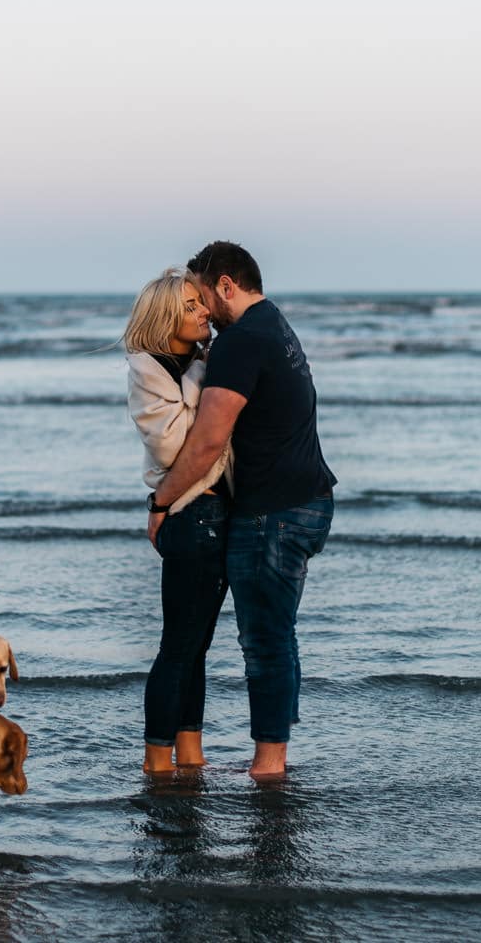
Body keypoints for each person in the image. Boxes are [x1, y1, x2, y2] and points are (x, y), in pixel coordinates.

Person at [145, 241, 335, 780]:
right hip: (308, 500)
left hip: (273, 511)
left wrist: (160, 502)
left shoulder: (241, 342)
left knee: (265, 640)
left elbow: (207, 442)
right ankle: (272, 755)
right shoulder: (274, 324)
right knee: (278, 634)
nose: (203, 310)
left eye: (203, 295)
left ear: (225, 284)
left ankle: (269, 766)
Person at [123, 269, 233, 774]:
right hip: (190, 515)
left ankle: (190, 753)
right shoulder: (149, 370)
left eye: (200, 304)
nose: (203, 311)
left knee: (197, 647)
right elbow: (173, 447)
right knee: (178, 647)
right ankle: (156, 760)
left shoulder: (204, 362)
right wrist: (209, 403)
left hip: (216, 510)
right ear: (167, 315)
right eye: (191, 307)